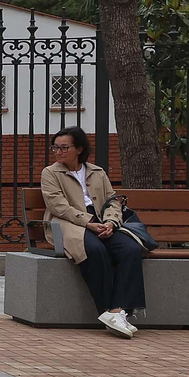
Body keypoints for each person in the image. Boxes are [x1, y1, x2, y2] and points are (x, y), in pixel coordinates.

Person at [41, 126, 145, 338]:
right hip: (70, 224)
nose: (58, 152)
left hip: (102, 222)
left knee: (131, 249)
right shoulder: (51, 173)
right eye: (55, 148)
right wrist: (88, 223)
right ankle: (112, 310)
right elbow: (58, 206)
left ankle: (123, 311)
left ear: (79, 149)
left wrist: (111, 223)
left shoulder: (97, 172)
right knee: (95, 250)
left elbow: (113, 200)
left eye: (64, 147)